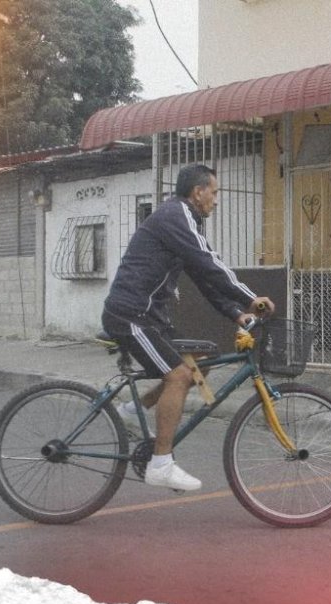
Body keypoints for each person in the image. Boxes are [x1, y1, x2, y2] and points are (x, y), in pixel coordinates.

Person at [103, 164, 275, 491]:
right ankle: (161, 464)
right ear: (198, 192)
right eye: (215, 192)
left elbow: (202, 276)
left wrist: (236, 312)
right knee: (180, 376)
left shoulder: (184, 220)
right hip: (130, 315)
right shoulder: (176, 216)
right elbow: (210, 264)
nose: (216, 200)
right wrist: (252, 298)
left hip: (148, 316)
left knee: (201, 359)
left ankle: (134, 410)